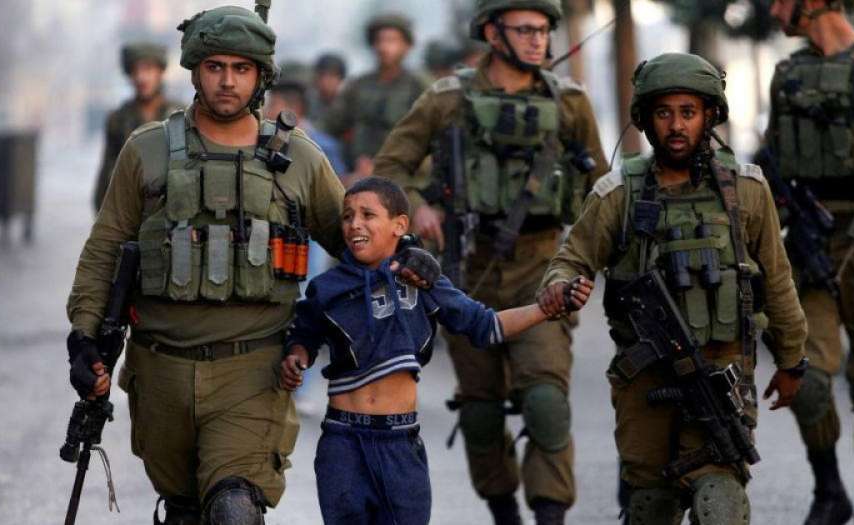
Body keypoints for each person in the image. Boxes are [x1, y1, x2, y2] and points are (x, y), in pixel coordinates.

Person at [64, 7, 439, 524]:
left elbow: (353, 238)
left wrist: (405, 252)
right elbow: (105, 247)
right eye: (215, 67)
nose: (227, 81)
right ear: (195, 71)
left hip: (253, 372)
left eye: (241, 69)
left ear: (261, 76)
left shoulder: (299, 158)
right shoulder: (146, 150)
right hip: (160, 371)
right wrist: (84, 337)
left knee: (235, 509)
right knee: (184, 511)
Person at [538, 52, 808, 524]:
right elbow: (571, 259)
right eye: (664, 113)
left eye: (689, 112)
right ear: (646, 120)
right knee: (651, 503)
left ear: (710, 115)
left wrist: (791, 360)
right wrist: (563, 286)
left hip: (721, 371)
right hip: (646, 377)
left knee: (721, 500)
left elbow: (778, 280)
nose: (677, 125)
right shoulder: (618, 193)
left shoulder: (746, 190)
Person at [372, 1, 608, 523]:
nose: (538, 39)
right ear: (492, 33)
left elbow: (603, 193)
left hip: (544, 266)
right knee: (480, 410)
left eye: (544, 30)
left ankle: (550, 515)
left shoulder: (569, 103)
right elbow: (390, 169)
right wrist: (418, 205)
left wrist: (591, 261)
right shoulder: (447, 99)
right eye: (525, 29)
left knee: (546, 401)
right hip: (466, 267)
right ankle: (503, 510)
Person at [279, 176, 553, 525]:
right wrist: (297, 357)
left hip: (400, 443)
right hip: (342, 444)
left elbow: (485, 325)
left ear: (399, 225)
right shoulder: (327, 288)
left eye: (368, 214)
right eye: (347, 216)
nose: (354, 224)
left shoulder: (423, 280)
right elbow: (304, 335)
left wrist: (545, 308)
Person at [764, 2, 854, 523]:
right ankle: (829, 489)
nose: (774, 9)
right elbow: (772, 159)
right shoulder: (788, 74)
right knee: (805, 374)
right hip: (810, 239)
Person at [322, 13, 427, 183]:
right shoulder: (358, 86)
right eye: (380, 40)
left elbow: (426, 139)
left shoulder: (418, 87)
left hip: (403, 177)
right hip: (357, 173)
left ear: (406, 46)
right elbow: (330, 127)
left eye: (392, 40)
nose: (384, 47)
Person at [93, 41, 184, 212]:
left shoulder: (181, 116)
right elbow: (107, 170)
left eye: (148, 69)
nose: (141, 77)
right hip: (130, 211)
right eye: (135, 70)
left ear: (160, 72)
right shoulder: (118, 119)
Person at [307, 53, 347, 125]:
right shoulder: (306, 101)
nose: (326, 80)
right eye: (323, 75)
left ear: (340, 79)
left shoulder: (348, 103)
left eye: (332, 75)